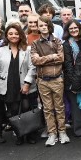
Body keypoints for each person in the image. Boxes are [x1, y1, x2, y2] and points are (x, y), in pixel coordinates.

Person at [0, 24, 38, 145]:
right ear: (6, 35)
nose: (14, 36)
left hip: (25, 85)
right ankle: (19, 135)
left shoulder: (27, 49)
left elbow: (32, 68)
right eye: (11, 33)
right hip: (9, 86)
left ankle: (30, 135)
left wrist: (27, 83)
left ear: (21, 35)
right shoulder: (0, 50)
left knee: (27, 109)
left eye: (16, 33)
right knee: (13, 111)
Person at [31, 17, 68, 147]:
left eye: (45, 25)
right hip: (42, 80)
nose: (43, 27)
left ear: (50, 26)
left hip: (57, 79)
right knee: (47, 109)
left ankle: (62, 131)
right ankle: (52, 133)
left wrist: (43, 59)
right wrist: (52, 56)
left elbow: (61, 58)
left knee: (59, 107)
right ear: (38, 27)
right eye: (41, 25)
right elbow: (35, 61)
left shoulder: (57, 41)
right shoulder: (35, 43)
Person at [62, 21, 81, 138]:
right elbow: (68, 65)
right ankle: (79, 130)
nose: (73, 30)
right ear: (67, 31)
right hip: (72, 80)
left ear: (80, 28)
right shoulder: (66, 45)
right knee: (76, 106)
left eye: (75, 28)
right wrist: (75, 82)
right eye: (71, 29)